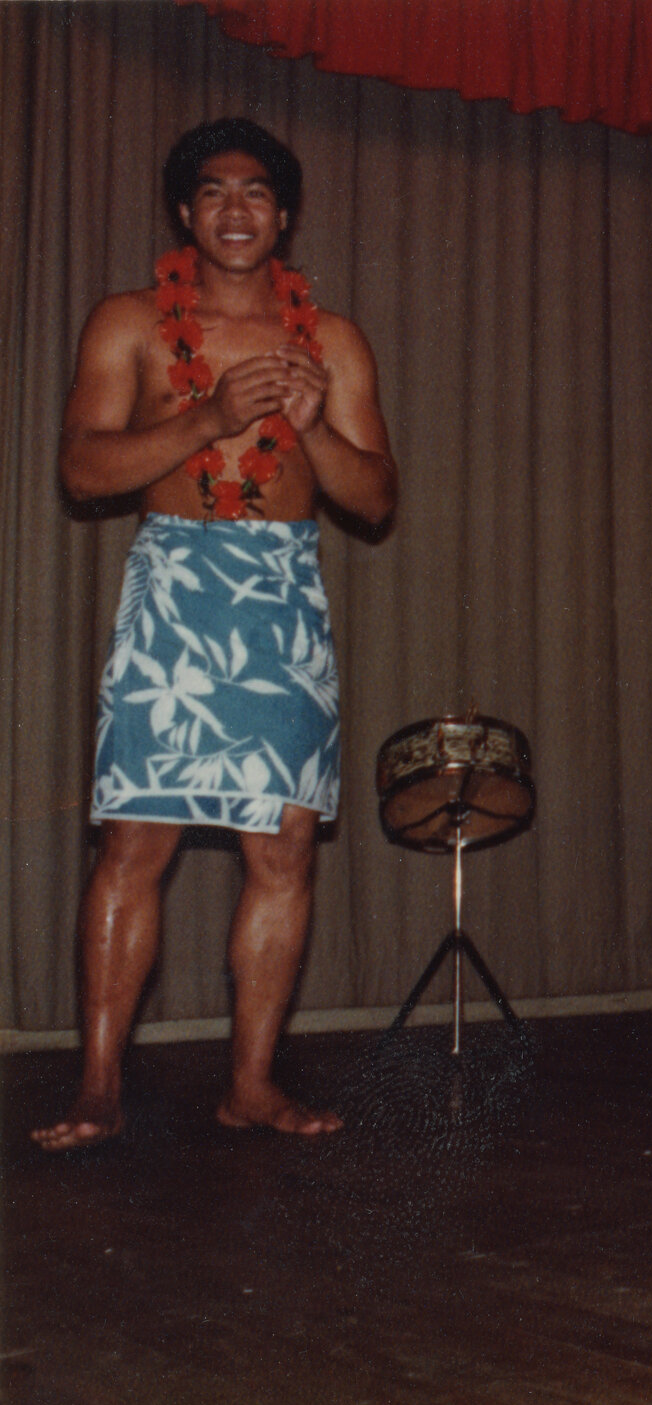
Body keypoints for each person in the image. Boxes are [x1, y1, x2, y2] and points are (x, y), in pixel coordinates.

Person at [36, 118, 397, 1153]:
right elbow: (82, 470)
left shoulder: (331, 339)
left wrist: (313, 427)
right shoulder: (131, 323)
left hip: (280, 590)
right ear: (184, 213)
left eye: (256, 194)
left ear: (283, 215)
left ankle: (250, 1082)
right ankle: (98, 1082)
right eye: (212, 193)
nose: (235, 211)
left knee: (282, 848)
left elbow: (374, 499)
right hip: (173, 586)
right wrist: (208, 415)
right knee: (133, 843)